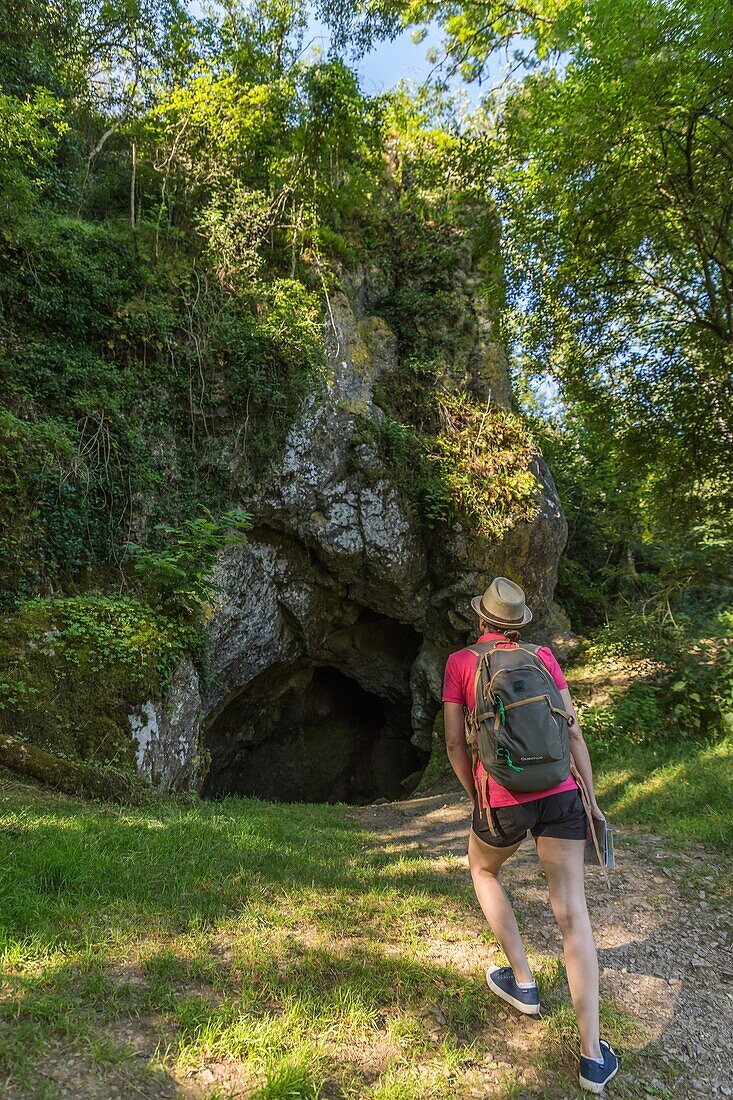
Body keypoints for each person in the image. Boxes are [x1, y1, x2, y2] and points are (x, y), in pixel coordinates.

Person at [442, 577, 619, 1095]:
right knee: (573, 914)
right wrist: (590, 796)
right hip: (561, 792)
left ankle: (522, 982)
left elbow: (456, 741)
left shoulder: (460, 663)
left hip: (501, 796)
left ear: (481, 620)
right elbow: (572, 730)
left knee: (483, 869)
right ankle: (592, 1058)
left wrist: (476, 793)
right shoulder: (543, 655)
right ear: (519, 624)